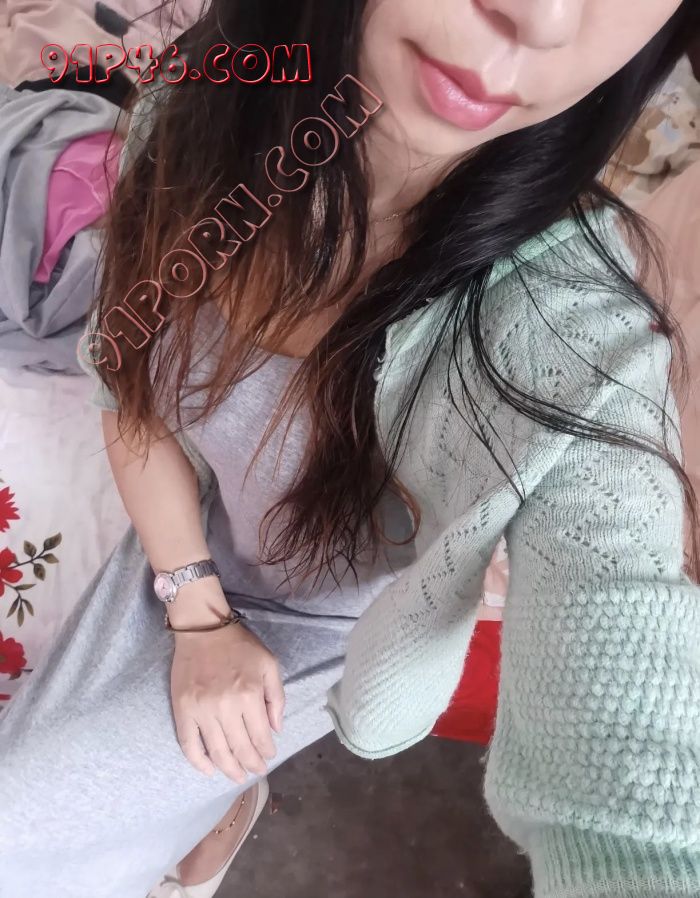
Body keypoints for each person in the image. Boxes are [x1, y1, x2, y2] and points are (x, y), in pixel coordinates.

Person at [2, 2, 700, 897]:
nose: (543, 17)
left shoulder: (568, 333)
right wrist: (196, 610)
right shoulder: (200, 118)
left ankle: (215, 791)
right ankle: (218, 800)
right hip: (190, 540)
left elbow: (629, 790)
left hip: (322, 633)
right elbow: (124, 380)